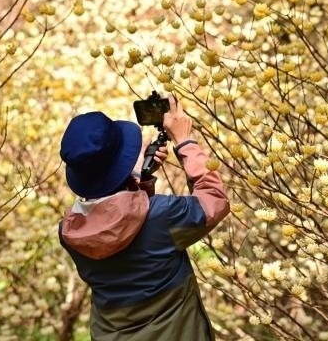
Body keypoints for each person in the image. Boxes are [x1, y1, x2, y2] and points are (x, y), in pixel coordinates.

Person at [57, 94, 229, 341]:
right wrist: (184, 142)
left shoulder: (69, 232)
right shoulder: (162, 215)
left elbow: (120, 226)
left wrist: (139, 182)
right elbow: (215, 200)